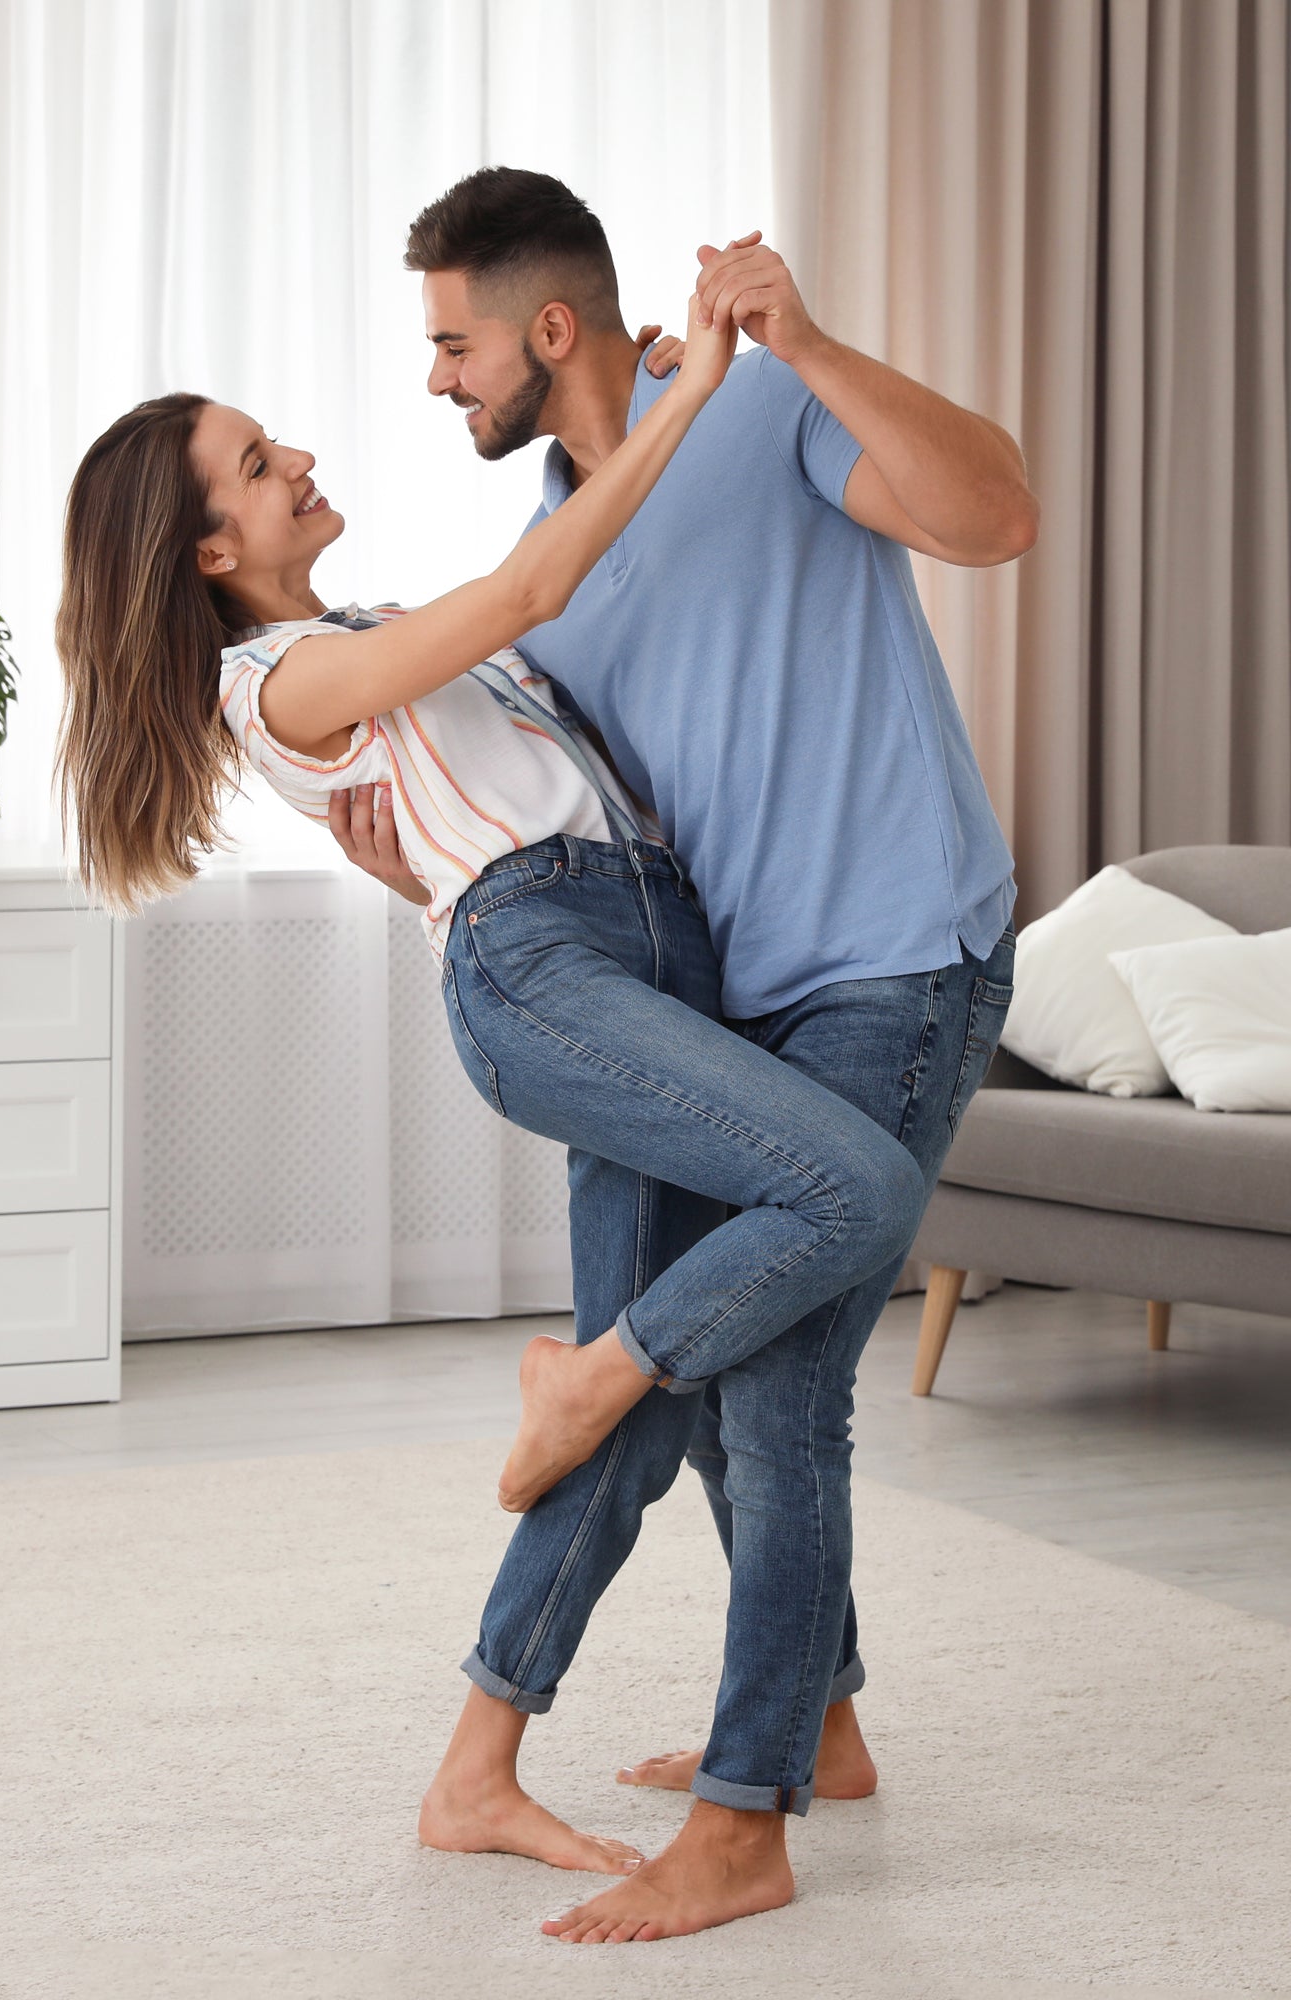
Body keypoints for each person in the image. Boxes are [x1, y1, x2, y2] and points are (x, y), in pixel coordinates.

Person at [326, 167, 1028, 1943]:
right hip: (737, 994)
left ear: (547, 330)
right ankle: (828, 1717)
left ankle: (746, 1818)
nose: (435, 379)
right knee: (741, 1392)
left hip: (892, 949)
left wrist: (807, 337)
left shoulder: (759, 404)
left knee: (783, 1398)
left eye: (450, 342)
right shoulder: (554, 570)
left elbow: (995, 516)